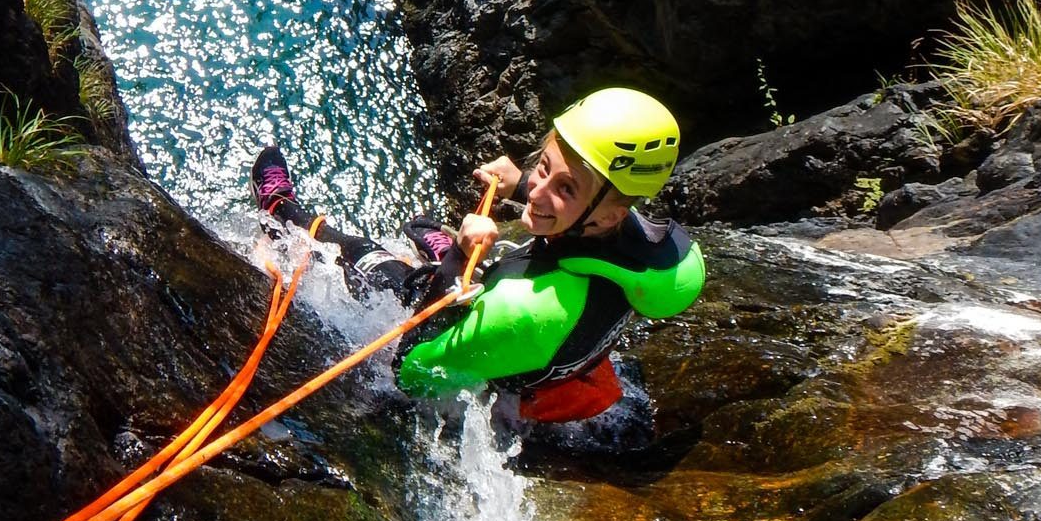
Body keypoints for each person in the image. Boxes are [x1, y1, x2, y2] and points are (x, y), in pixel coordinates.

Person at [250, 87, 705, 423]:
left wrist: (458, 258)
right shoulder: (639, 242)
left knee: (361, 254)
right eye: (543, 167)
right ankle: (450, 256)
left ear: (608, 215)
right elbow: (564, 202)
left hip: (497, 353)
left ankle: (280, 208)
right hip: (545, 359)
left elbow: (411, 369)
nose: (537, 193)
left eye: (565, 188)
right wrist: (521, 184)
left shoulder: (523, 313)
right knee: (482, 247)